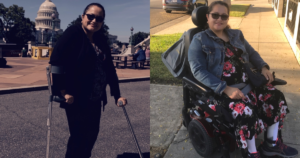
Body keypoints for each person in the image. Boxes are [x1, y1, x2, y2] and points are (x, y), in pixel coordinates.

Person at [188, 1, 298, 158]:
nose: (219, 19)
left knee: (275, 97)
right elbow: (198, 70)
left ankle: (271, 144)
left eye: (224, 16)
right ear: (207, 16)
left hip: (249, 84)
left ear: (228, 18)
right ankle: (251, 152)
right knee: (244, 110)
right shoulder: (199, 40)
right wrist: (225, 88)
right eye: (215, 15)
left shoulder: (236, 35)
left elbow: (252, 53)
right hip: (222, 91)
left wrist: (263, 67)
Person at [49, 3, 127, 158]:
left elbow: (110, 69)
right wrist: (62, 91)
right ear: (83, 17)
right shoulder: (73, 33)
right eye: (91, 16)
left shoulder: (100, 38)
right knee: (78, 137)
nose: (94, 20)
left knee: (91, 135)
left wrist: (117, 94)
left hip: (95, 97)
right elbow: (56, 62)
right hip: (76, 97)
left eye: (99, 18)